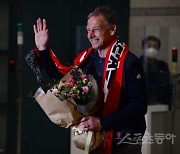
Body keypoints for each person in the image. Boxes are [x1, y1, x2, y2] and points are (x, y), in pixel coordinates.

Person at [31, 6, 147, 154]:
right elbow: (64, 84)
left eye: (96, 29)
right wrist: (43, 49)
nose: (90, 35)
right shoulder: (88, 59)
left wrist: (101, 122)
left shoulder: (129, 62)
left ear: (112, 30)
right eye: (88, 30)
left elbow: (139, 106)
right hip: (96, 138)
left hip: (124, 140)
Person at [140, 36, 171, 105]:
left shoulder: (162, 65)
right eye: (149, 46)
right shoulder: (135, 64)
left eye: (155, 47)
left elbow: (166, 86)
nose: (152, 49)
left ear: (158, 49)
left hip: (158, 104)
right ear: (142, 48)